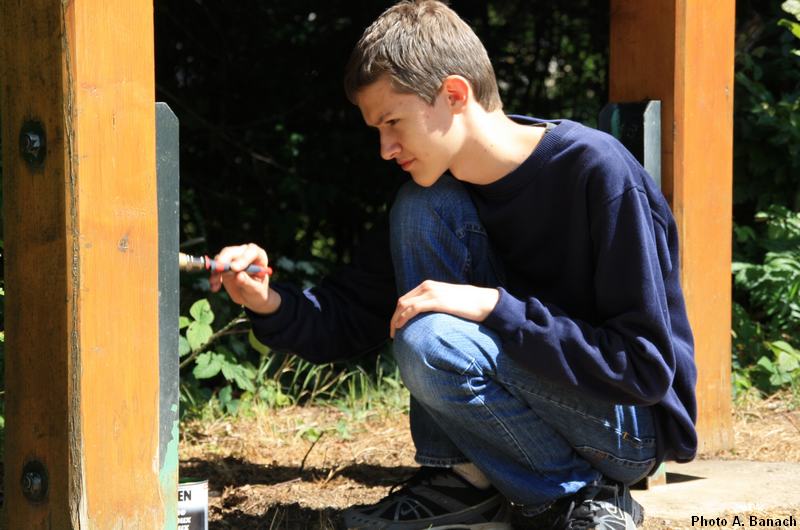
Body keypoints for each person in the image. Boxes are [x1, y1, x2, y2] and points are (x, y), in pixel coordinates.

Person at [210, 1, 698, 528]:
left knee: (431, 341)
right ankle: (460, 479)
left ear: (454, 94)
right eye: (377, 129)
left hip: (624, 425)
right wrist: (268, 301)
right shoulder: (438, 197)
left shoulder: (596, 171)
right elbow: (351, 316)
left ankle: (578, 497)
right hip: (536, 401)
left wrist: (491, 306)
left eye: (392, 121)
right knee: (420, 214)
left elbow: (643, 369)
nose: (385, 148)